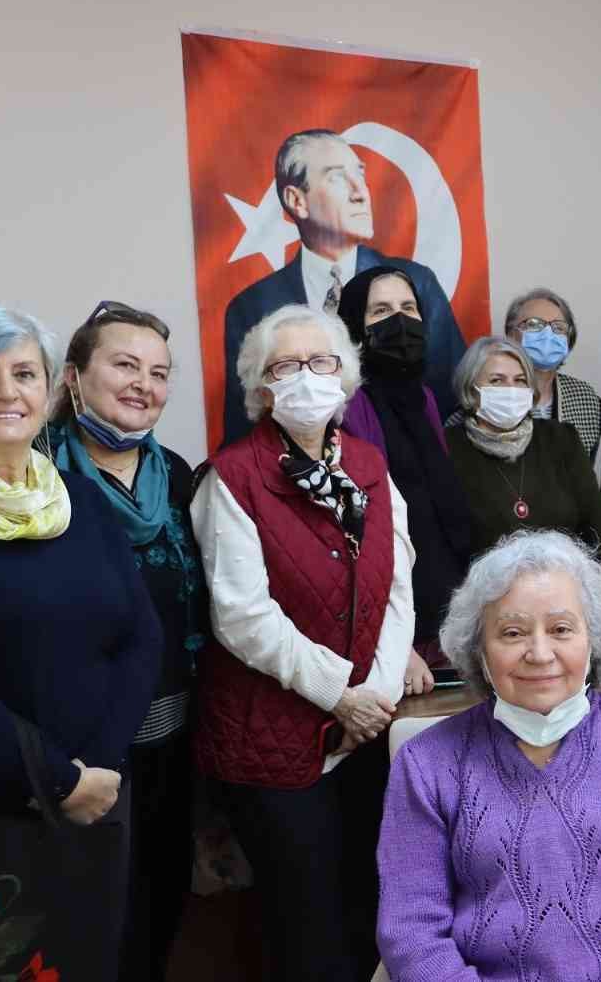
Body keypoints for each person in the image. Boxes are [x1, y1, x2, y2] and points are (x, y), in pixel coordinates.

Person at [0, 302, 162, 978]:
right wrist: (59, 778)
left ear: (51, 390)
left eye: (25, 373)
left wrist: (99, 769)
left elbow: (140, 637)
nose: (8, 392)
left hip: (95, 804)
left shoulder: (78, 497)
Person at [376, 529, 601, 981]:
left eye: (561, 629)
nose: (540, 653)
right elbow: (411, 932)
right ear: (480, 651)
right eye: (512, 632)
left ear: (594, 638)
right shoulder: (426, 765)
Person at [191, 304, 416, 982]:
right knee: (308, 935)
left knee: (373, 915)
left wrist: (374, 695)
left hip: (367, 732)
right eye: (286, 366)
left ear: (346, 379)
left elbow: (399, 586)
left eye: (322, 362)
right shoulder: (231, 477)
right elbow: (242, 617)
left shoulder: (372, 467)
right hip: (272, 743)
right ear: (261, 389)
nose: (307, 377)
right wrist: (340, 694)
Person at [42, 301, 209, 982]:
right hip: (70, 746)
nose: (144, 383)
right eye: (125, 364)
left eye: (159, 372)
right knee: (81, 917)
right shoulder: (33, 475)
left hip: (171, 732)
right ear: (75, 377)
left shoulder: (179, 472)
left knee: (157, 901)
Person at [221, 129, 465, 445]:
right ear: (297, 200)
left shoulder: (416, 284)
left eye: (359, 174)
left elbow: (452, 399)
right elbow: (244, 428)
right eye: (338, 178)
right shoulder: (253, 306)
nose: (360, 192)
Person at [446, 336, 601, 632]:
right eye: (497, 381)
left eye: (519, 380)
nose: (510, 390)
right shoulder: (449, 449)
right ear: (471, 391)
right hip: (489, 614)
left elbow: (600, 524)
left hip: (567, 606)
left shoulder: (560, 439)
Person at [336, 267, 474, 682]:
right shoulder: (346, 405)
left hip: (447, 613)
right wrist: (393, 643)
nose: (399, 320)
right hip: (394, 625)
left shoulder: (426, 398)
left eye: (408, 307)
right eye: (380, 310)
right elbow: (358, 533)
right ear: (354, 326)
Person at [503, 287, 601, 462]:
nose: (548, 334)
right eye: (534, 324)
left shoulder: (585, 398)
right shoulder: (493, 396)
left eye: (558, 327)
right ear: (511, 335)